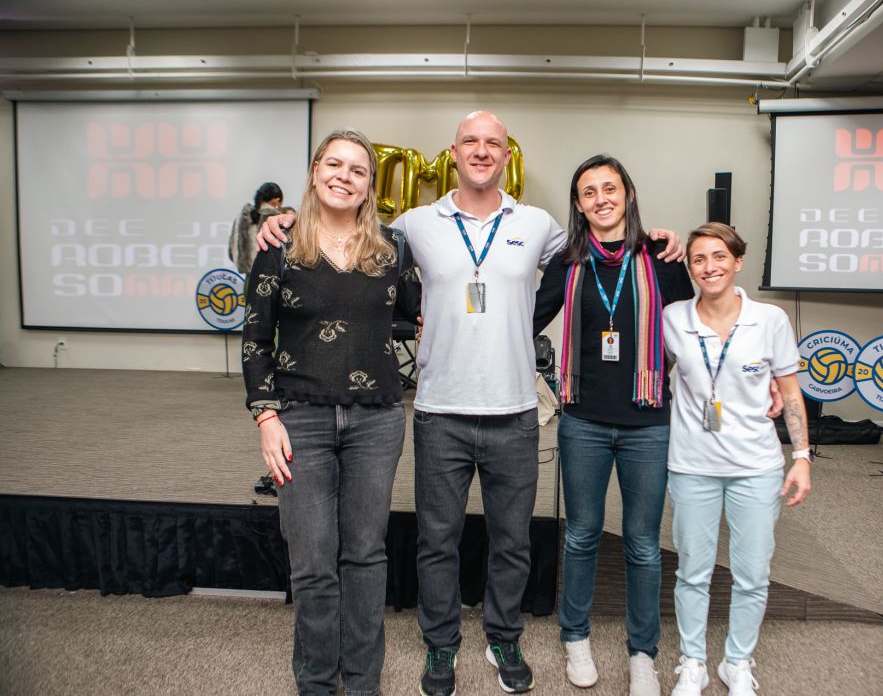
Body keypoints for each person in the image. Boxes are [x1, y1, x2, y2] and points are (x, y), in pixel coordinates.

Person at [255, 111, 683, 696]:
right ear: (453, 153)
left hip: (515, 412)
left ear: (507, 155)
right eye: (470, 142)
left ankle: (503, 636)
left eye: (493, 144)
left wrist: (660, 239)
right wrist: (283, 221)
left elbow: (605, 241)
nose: (481, 151)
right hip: (439, 412)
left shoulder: (538, 225)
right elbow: (346, 234)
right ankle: (440, 645)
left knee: (512, 542)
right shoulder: (410, 227)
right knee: (437, 542)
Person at [241, 128, 419, 696]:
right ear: (315, 172)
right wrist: (266, 418)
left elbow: (417, 314)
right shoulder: (279, 245)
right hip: (300, 419)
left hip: (377, 420)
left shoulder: (392, 249)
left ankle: (363, 682)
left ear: (370, 186)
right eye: (334, 165)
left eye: (358, 170)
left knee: (365, 555)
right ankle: (316, 682)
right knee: (313, 562)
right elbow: (255, 339)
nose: (345, 176)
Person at [533, 155, 694, 695]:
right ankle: (574, 635)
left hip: (648, 424)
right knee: (581, 536)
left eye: (610, 188)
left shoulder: (664, 258)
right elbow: (525, 319)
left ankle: (643, 652)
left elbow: (698, 330)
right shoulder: (567, 262)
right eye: (589, 192)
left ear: (628, 194)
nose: (601, 198)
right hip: (583, 422)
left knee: (643, 544)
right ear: (578, 205)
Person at [662, 222, 812, 696]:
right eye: (699, 259)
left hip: (756, 468)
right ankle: (693, 662)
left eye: (719, 257)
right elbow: (649, 373)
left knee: (752, 574)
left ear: (738, 261)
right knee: (692, 572)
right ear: (690, 268)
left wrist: (802, 456)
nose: (710, 267)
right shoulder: (672, 318)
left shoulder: (770, 320)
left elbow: (789, 392)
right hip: (692, 465)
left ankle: (737, 662)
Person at [229, 181, 293, 275]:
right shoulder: (274, 218)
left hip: (248, 278)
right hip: (269, 277)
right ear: (276, 200)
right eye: (281, 203)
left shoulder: (241, 218)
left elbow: (231, 253)